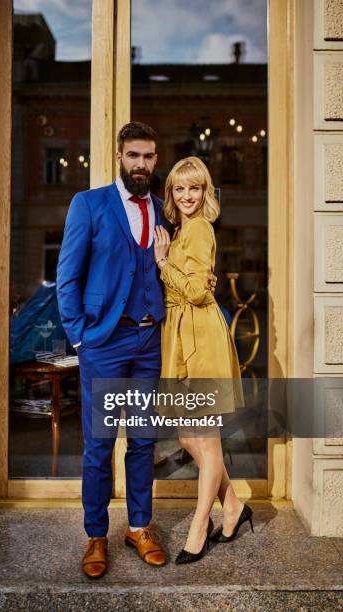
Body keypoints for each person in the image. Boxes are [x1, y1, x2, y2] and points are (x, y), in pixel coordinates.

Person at [57, 122, 216, 578]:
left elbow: (184, 264)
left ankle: (140, 526)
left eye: (149, 157)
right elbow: (66, 277)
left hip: (150, 341)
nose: (142, 164)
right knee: (99, 445)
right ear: (119, 158)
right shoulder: (88, 205)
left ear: (155, 160)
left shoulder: (165, 214)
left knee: (144, 441)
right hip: (104, 342)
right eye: (134, 156)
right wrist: (80, 336)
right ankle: (95, 535)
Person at [153, 156, 253, 565]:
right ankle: (233, 505)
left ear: (204, 192)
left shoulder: (198, 229)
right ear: (172, 194)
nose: (188, 195)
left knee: (205, 440)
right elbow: (195, 284)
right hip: (184, 334)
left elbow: (194, 292)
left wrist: (162, 262)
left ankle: (200, 526)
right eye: (180, 189)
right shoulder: (182, 231)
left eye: (195, 188)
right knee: (186, 437)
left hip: (200, 337)